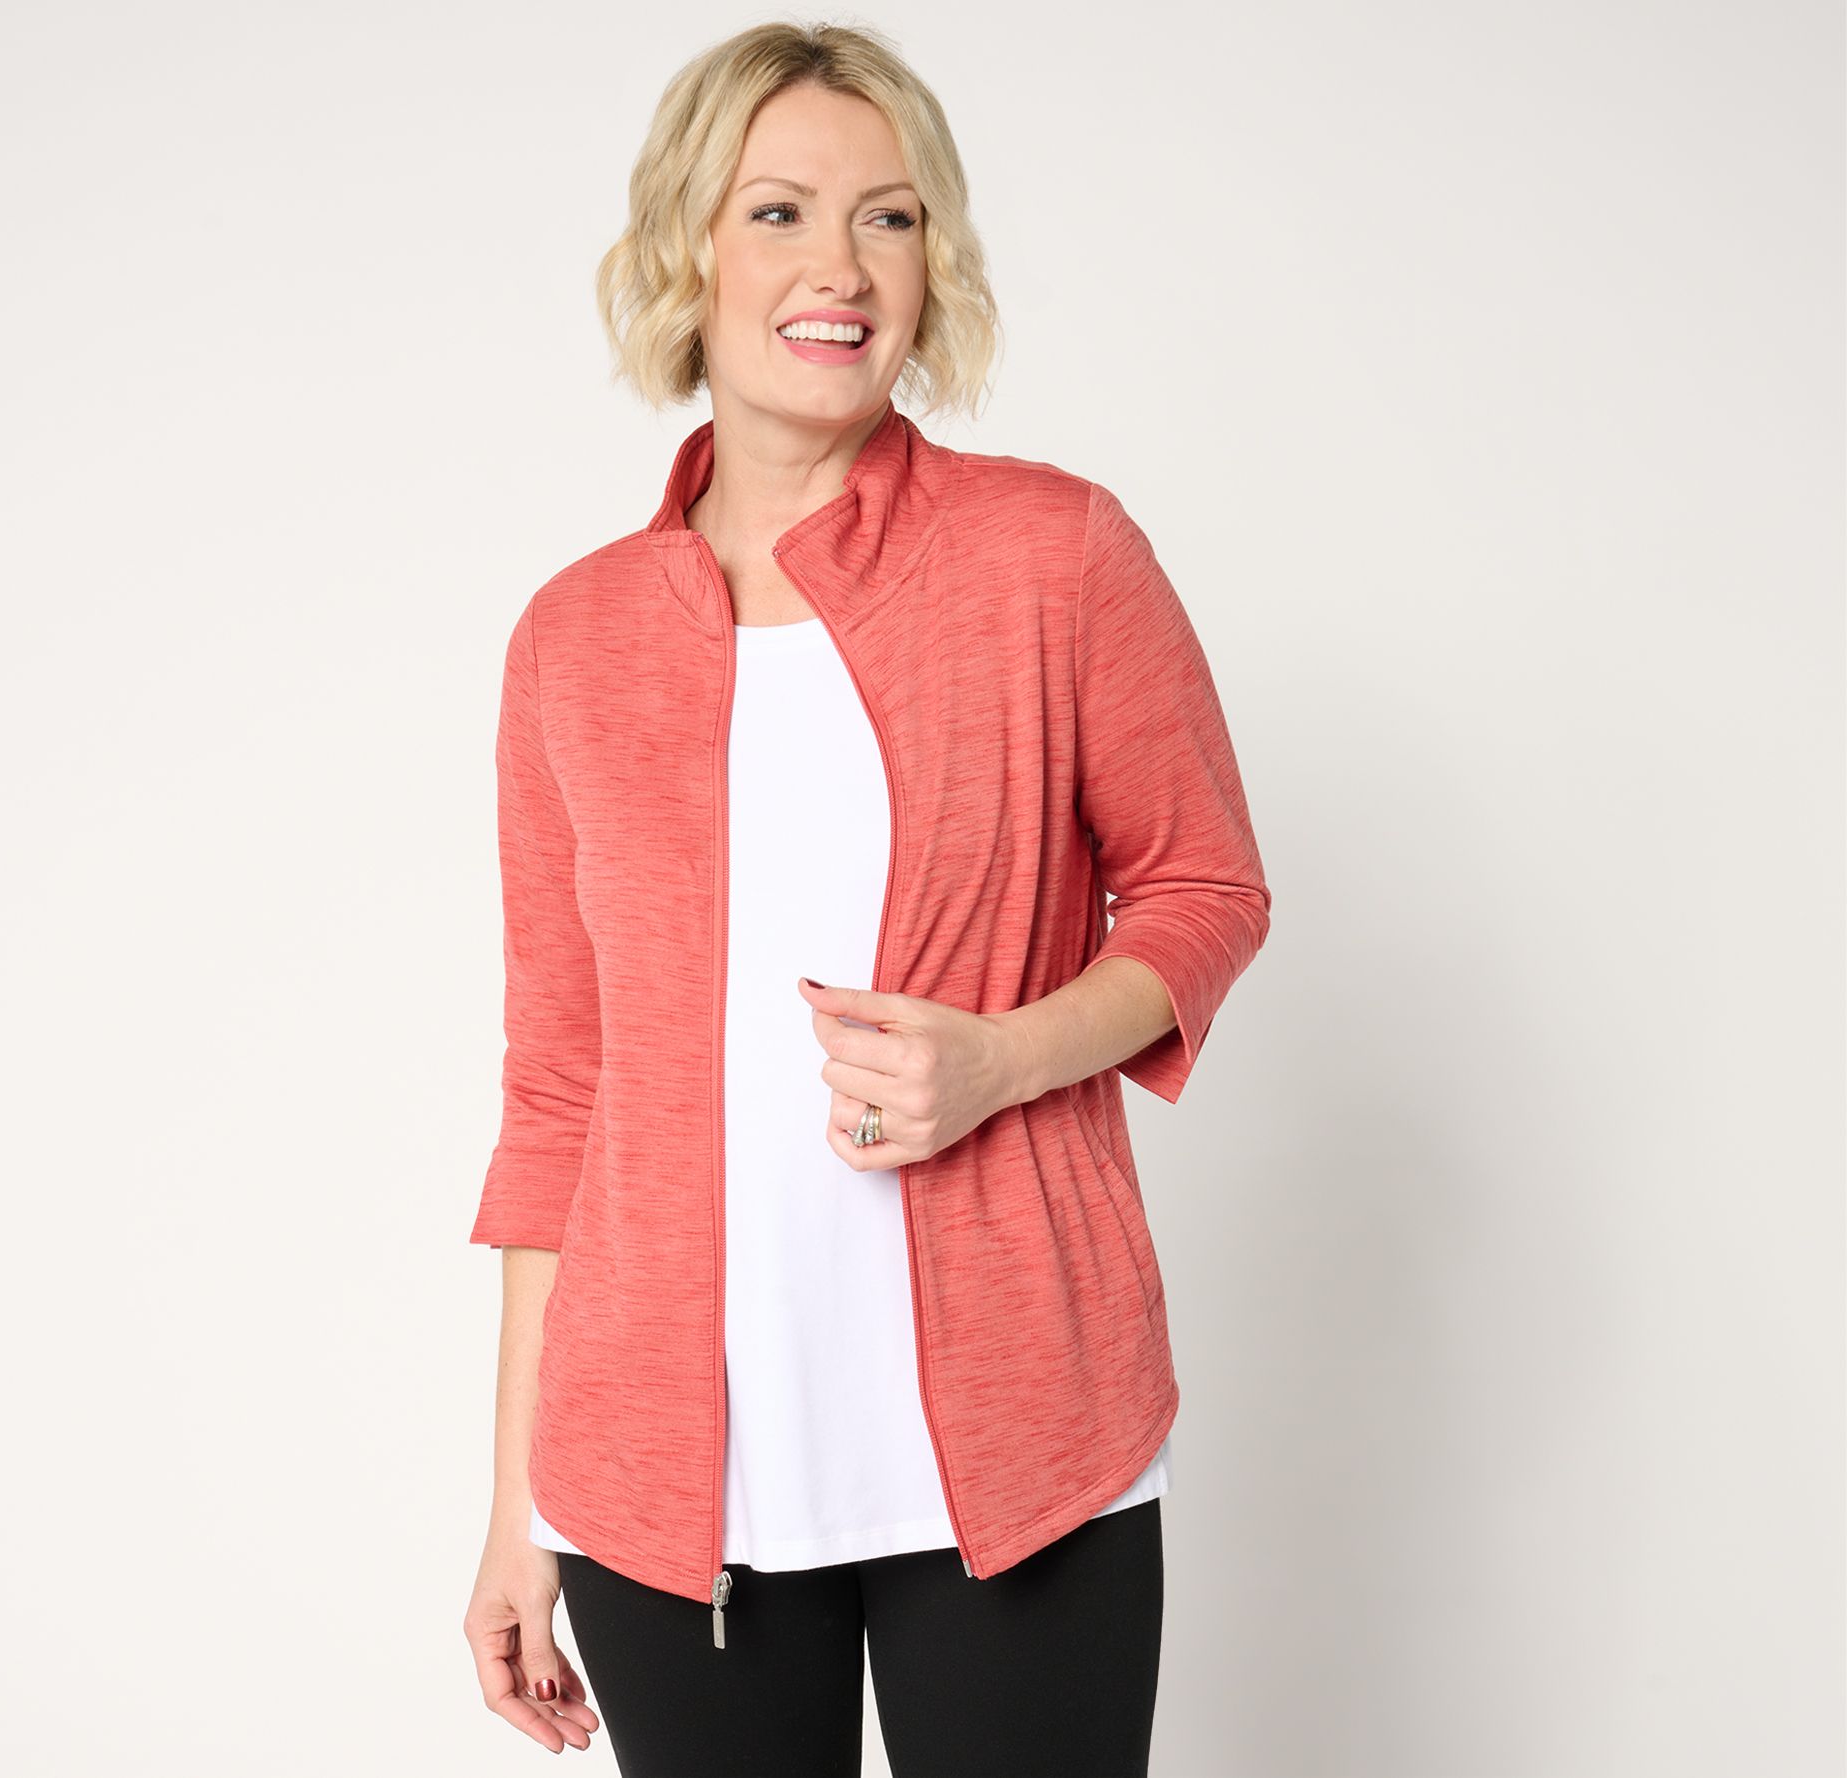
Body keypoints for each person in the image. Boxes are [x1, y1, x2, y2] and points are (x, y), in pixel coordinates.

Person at [461, 21, 1271, 1776]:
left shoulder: (1055, 554)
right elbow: (560, 1091)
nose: (839, 266)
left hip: (1023, 1441)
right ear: (688, 251)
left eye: (888, 218)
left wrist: (1004, 1057)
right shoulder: (573, 641)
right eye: (779, 212)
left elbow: (1205, 884)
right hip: (662, 1487)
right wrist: (519, 1509)